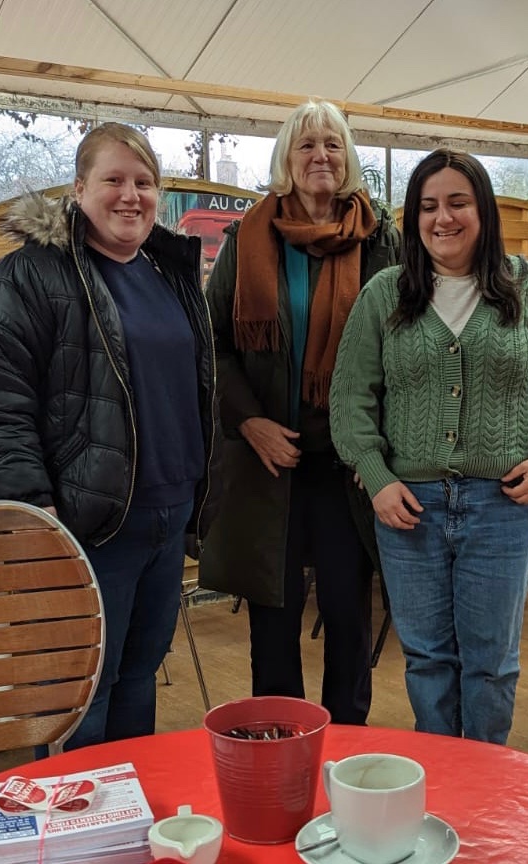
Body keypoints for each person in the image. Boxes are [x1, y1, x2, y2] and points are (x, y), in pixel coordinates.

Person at [0, 122, 220, 749]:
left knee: (139, 675)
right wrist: (37, 512)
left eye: (144, 182)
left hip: (167, 513)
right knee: (85, 688)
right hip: (88, 523)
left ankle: (128, 815)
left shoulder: (170, 274)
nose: (131, 195)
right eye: (113, 180)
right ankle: (85, 826)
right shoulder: (29, 276)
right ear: (78, 188)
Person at [330, 148, 528, 743]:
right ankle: (446, 783)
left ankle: (484, 787)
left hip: (503, 506)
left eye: (458, 202)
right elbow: (351, 400)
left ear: (484, 210)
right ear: (413, 216)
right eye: (428, 206)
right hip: (409, 509)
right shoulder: (384, 295)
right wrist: (375, 477)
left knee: (491, 663)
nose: (442, 218)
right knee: (426, 659)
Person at [198, 100, 400, 724]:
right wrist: (249, 421)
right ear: (287, 157)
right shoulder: (248, 238)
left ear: (349, 159)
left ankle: (345, 749)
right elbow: (215, 345)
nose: (321, 156)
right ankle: (278, 746)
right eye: (307, 144)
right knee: (274, 622)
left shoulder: (380, 241)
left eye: (333, 145)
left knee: (345, 612)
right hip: (269, 463)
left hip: (348, 466)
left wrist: (378, 450)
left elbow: (400, 346)